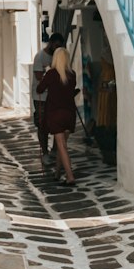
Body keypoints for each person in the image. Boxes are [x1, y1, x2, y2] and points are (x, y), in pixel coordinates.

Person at [39, 46, 78, 186]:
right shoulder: (72, 74)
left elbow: (40, 89)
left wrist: (45, 75)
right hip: (69, 114)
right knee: (62, 146)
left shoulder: (51, 74)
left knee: (61, 145)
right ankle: (57, 173)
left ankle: (70, 176)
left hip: (55, 113)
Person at [32, 31, 65, 173]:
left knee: (57, 123)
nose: (56, 49)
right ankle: (44, 153)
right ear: (50, 43)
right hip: (42, 97)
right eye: (55, 46)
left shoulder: (59, 56)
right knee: (42, 124)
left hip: (55, 96)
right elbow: (39, 77)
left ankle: (54, 151)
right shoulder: (40, 57)